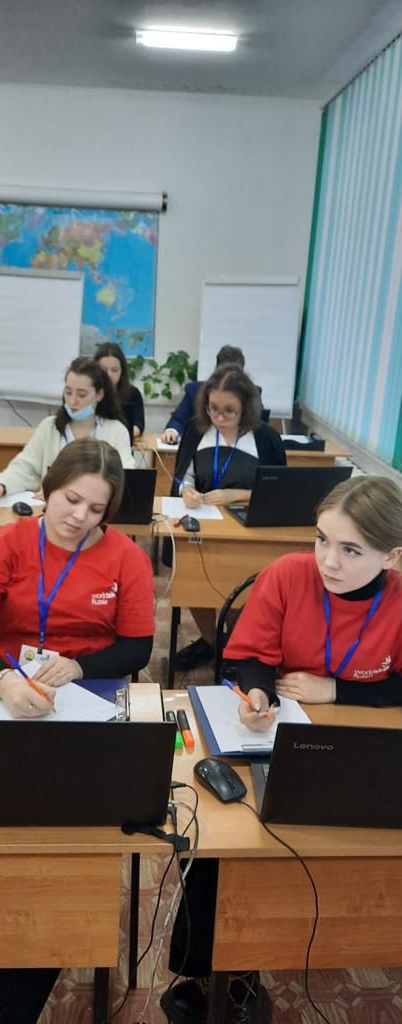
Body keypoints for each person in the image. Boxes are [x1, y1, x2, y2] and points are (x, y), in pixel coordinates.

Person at [163, 475, 402, 1024]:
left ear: (391, 557)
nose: (329, 561)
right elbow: (250, 656)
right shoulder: (289, 574)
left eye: (351, 550)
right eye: (322, 539)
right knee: (225, 838)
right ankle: (210, 970)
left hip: (364, 745)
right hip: (282, 736)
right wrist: (258, 694)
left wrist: (336, 690)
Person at [0, 437, 154, 1023]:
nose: (80, 517)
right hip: (9, 702)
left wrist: (82, 666)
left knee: (65, 860)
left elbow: (138, 647)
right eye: (71, 500)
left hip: (88, 705)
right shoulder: (5, 543)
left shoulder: (126, 558)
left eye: (97, 509)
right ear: (48, 488)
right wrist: (0, 681)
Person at [173, 364, 285, 671]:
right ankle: (212, 642)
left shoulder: (265, 438)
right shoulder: (197, 429)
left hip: (249, 530)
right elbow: (185, 476)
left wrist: (235, 494)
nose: (219, 418)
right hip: (204, 526)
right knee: (191, 581)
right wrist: (187, 491)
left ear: (246, 408)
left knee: (240, 587)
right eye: (213, 409)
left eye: (229, 411)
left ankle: (236, 644)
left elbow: (279, 491)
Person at [0, 356, 135, 501]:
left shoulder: (116, 431)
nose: (72, 401)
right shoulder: (50, 427)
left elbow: (124, 479)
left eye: (82, 394)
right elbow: (24, 468)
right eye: (68, 392)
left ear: (99, 395)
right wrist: (1, 484)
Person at [162, 345, 247, 445]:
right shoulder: (195, 391)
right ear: (216, 371)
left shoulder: (250, 395)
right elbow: (178, 419)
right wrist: (172, 431)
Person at [94, 341, 145, 439]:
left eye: (114, 370)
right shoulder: (90, 392)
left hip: (122, 441)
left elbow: (138, 426)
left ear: (122, 371)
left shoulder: (132, 393)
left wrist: (119, 436)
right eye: (104, 370)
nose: (109, 375)